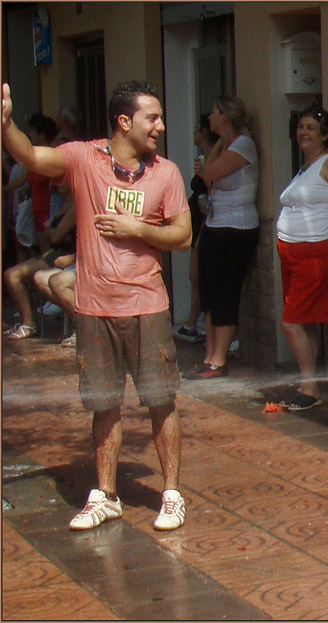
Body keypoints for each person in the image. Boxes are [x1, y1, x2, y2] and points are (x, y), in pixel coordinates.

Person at [1, 80, 192, 531]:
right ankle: (105, 495)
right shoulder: (83, 159)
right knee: (103, 405)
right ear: (124, 122)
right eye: (153, 118)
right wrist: (6, 123)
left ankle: (171, 493)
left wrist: (136, 228)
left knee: (161, 402)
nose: (161, 127)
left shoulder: (166, 173)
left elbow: (182, 236)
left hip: (147, 305)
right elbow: (30, 156)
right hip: (95, 307)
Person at [275, 102, 328, 409]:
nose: (303, 133)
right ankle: (308, 381)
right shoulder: (305, 168)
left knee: (291, 322)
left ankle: (309, 386)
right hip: (293, 252)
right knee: (304, 320)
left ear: (325, 135)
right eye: (301, 127)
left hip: (314, 252)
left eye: (311, 128)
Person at [184, 95, 259, 379]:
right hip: (216, 224)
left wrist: (206, 165)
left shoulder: (243, 145)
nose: (209, 119)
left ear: (225, 116)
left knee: (225, 291)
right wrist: (215, 147)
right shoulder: (225, 144)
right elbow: (208, 178)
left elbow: (210, 173)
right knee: (209, 291)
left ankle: (219, 360)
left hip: (236, 228)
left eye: (214, 113)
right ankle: (208, 356)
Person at [2, 193, 75, 339]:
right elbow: (51, 234)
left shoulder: (76, 206)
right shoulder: (62, 202)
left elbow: (54, 236)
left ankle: (28, 324)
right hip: (54, 251)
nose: (57, 183)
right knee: (10, 274)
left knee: (13, 276)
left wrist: (52, 232)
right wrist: (52, 232)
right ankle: (27, 321)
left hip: (65, 254)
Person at [174, 113, 218, 343]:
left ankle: (192, 323)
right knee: (195, 276)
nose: (193, 132)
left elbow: (209, 194)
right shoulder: (204, 157)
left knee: (198, 275)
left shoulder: (213, 157)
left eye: (196, 128)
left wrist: (202, 228)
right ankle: (193, 322)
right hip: (197, 223)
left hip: (205, 223)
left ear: (203, 132)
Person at [25, 113, 58, 253]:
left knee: (48, 252)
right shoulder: (33, 156)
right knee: (39, 250)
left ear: (42, 134)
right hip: (36, 210)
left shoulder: (51, 154)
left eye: (32, 130)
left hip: (47, 210)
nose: (30, 134)